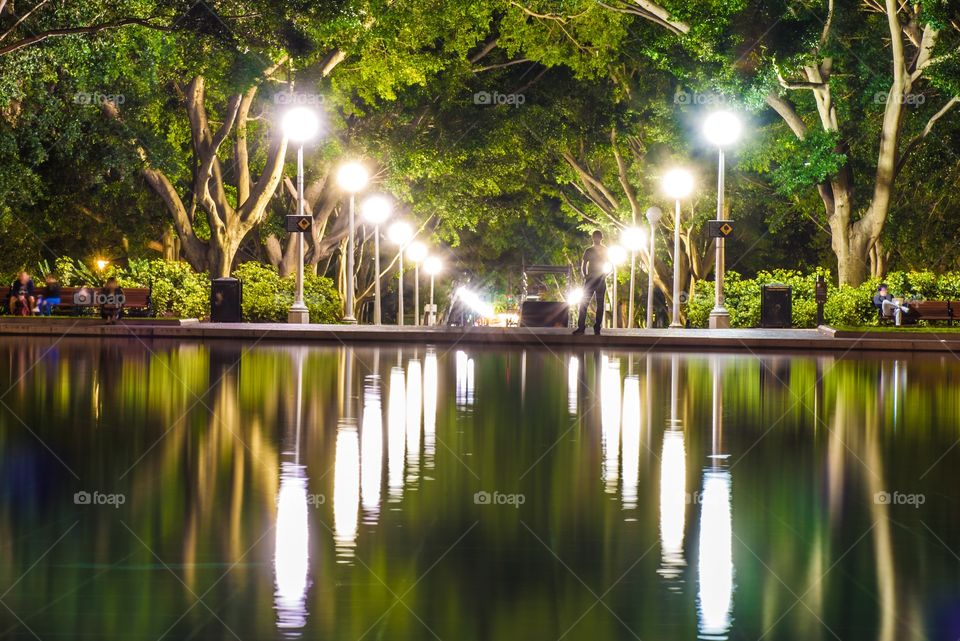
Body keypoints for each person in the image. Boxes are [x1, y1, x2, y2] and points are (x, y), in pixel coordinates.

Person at [573, 230, 608, 335]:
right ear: (593, 238)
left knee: (600, 305)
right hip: (592, 279)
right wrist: (586, 276)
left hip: (599, 279)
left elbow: (610, 265)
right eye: (595, 237)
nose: (596, 239)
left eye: (598, 237)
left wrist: (605, 275)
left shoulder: (604, 250)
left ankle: (597, 328)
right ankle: (582, 327)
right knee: (584, 303)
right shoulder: (589, 250)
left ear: (601, 238)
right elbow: (584, 265)